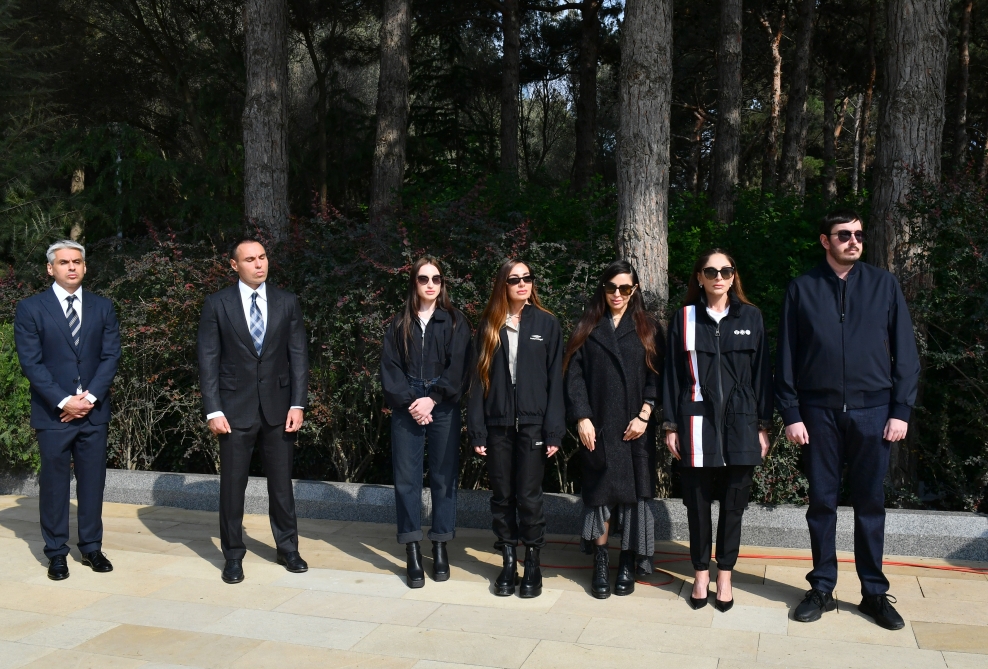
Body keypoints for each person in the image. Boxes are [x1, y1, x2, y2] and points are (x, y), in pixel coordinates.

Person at [776, 210, 920, 630]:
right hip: (817, 413)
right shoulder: (802, 288)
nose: (854, 241)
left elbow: (906, 353)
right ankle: (822, 587)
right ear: (826, 241)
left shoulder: (883, 284)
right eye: (844, 235)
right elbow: (786, 355)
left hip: (874, 412)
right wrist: (791, 413)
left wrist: (900, 410)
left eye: (858, 234)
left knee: (870, 504)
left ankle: (873, 593)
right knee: (821, 503)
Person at [662, 249, 773, 612]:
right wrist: (670, 425)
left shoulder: (751, 317)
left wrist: (763, 425)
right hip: (696, 421)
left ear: (733, 275)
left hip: (742, 422)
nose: (719, 277)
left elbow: (762, 375)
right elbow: (672, 375)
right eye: (711, 271)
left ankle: (724, 574)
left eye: (726, 270)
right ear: (699, 277)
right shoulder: (684, 318)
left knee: (734, 504)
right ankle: (700, 573)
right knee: (696, 504)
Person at [197, 238, 309, 584]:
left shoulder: (287, 302)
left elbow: (298, 356)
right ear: (234, 265)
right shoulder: (217, 304)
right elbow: (208, 360)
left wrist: (298, 403)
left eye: (262, 257)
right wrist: (213, 410)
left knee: (282, 485)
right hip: (233, 410)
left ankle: (288, 548)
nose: (259, 264)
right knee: (233, 486)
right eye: (250, 259)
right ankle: (233, 555)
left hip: (279, 408)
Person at [14, 240, 121, 580]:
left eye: (77, 261)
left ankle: (91, 548)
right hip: (53, 414)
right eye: (64, 262)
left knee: (92, 483)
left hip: (94, 413)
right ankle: (56, 552)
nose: (72, 267)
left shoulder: (103, 307)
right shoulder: (31, 309)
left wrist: (89, 399)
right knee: (54, 485)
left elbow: (111, 356)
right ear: (51, 269)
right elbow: (31, 363)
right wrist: (64, 401)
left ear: (85, 267)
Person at [564, 260, 664, 599]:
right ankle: (601, 560)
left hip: (636, 427)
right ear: (603, 289)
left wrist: (645, 414)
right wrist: (582, 417)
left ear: (634, 290)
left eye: (624, 288)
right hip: (600, 426)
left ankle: (628, 562)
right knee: (600, 496)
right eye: (611, 287)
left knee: (634, 498)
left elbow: (658, 375)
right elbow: (574, 376)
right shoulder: (588, 325)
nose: (617, 294)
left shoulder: (648, 327)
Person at [468, 259, 565, 598]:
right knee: (502, 496)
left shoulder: (547, 323)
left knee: (529, 496)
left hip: (534, 426)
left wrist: (554, 430)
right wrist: (477, 429)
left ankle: (532, 562)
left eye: (527, 277)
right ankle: (508, 560)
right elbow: (477, 381)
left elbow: (555, 381)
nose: (523, 284)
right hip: (498, 425)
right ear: (503, 285)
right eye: (514, 279)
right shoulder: (489, 325)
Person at [381, 257, 472, 588]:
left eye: (436, 278)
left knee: (444, 476)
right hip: (407, 403)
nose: (430, 284)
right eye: (423, 278)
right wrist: (411, 402)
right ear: (414, 283)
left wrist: (432, 398)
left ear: (442, 283)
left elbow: (460, 366)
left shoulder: (455, 321)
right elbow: (390, 368)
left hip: (442, 405)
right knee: (406, 478)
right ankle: (412, 549)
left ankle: (440, 544)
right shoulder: (399, 323)